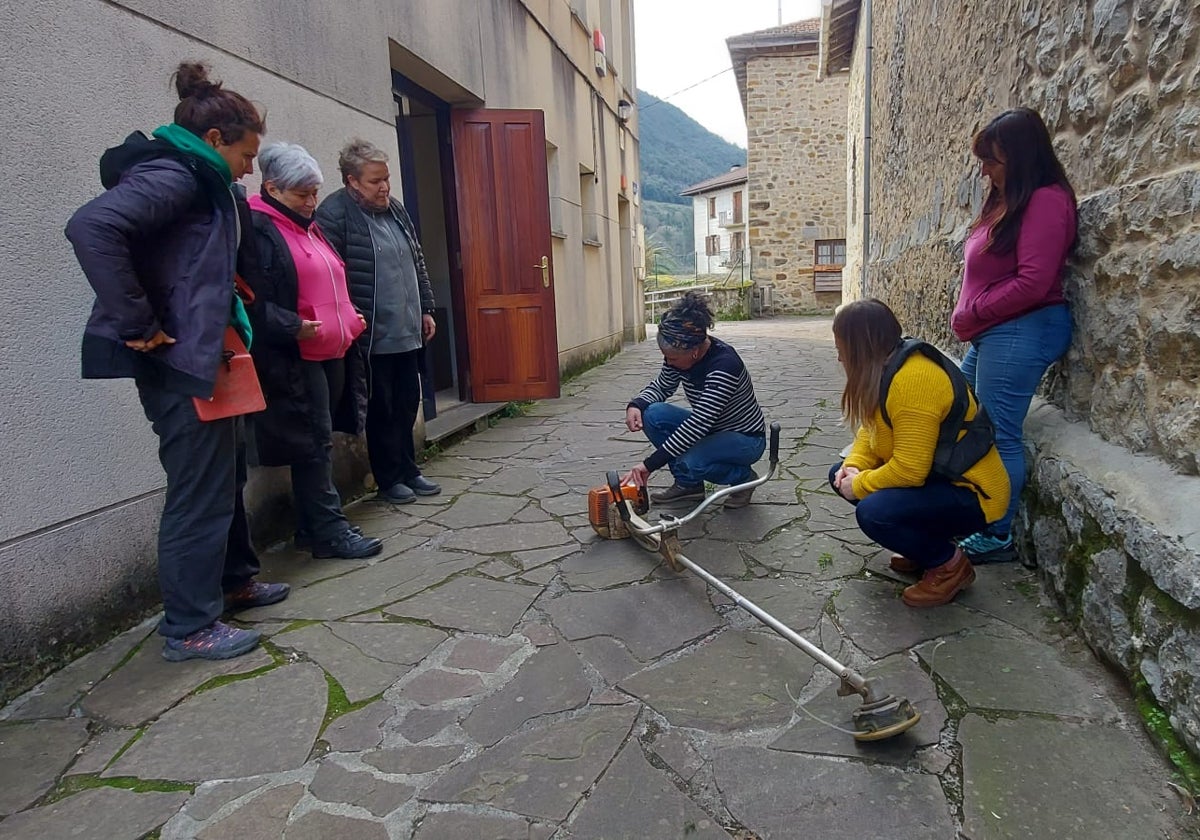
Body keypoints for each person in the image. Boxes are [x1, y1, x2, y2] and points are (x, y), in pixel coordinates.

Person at [65, 62, 289, 662]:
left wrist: (224, 285)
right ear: (216, 140)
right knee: (198, 490)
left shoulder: (196, 177)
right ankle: (190, 627)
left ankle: (234, 581)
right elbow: (92, 227)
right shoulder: (177, 175)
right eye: (247, 154)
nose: (249, 167)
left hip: (209, 353)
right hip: (182, 364)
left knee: (225, 475)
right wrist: (137, 323)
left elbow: (180, 260)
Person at [951, 107, 1077, 564]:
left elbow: (1034, 281)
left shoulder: (1044, 201)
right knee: (963, 412)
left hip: (1022, 327)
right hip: (996, 331)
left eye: (993, 160)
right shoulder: (1007, 199)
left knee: (1000, 432)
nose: (984, 170)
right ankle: (972, 510)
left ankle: (997, 534)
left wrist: (973, 314)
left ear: (1021, 158)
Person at [246, 143, 384, 559]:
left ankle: (313, 527)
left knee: (319, 442)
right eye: (301, 194)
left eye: (314, 193)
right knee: (314, 444)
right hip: (295, 355)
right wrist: (292, 326)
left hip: (331, 351)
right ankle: (328, 531)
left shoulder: (307, 225)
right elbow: (252, 299)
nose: (311, 202)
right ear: (272, 188)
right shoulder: (260, 229)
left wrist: (350, 314)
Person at [829, 299, 1010, 608]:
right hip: (938, 480)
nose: (838, 356)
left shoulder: (913, 381)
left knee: (874, 512)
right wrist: (853, 466)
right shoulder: (887, 366)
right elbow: (870, 431)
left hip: (972, 493)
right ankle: (922, 547)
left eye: (841, 347)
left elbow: (910, 470)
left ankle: (949, 566)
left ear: (859, 347)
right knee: (837, 472)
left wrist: (858, 484)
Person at [315, 139, 441, 506]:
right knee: (381, 408)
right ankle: (389, 478)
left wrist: (426, 308)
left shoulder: (396, 210)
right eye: (375, 181)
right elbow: (331, 274)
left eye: (386, 179)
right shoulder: (334, 215)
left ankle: (409, 469)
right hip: (371, 335)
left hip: (407, 328)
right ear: (352, 181)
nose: (384, 187)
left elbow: (416, 261)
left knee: (406, 401)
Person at [623, 292, 766, 508]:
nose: (668, 363)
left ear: (695, 351)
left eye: (673, 358)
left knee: (690, 461)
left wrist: (649, 464)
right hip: (712, 429)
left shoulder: (724, 366)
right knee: (652, 414)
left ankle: (744, 480)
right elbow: (663, 385)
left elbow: (699, 423)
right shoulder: (679, 355)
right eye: (666, 357)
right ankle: (689, 486)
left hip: (744, 438)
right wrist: (637, 404)